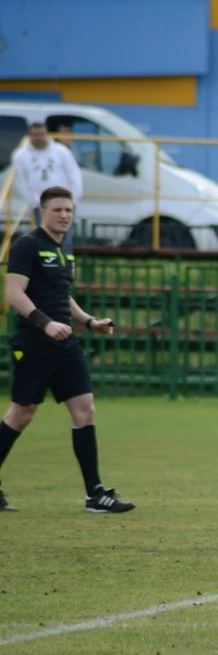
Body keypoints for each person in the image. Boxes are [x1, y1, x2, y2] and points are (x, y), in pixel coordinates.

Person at [0, 186, 134, 514]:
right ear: (42, 212)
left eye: (69, 210)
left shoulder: (64, 249)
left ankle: (96, 494)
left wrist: (89, 322)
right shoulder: (27, 245)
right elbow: (14, 293)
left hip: (65, 342)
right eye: (57, 209)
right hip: (34, 342)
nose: (64, 215)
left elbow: (62, 295)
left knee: (85, 410)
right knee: (21, 415)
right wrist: (44, 323)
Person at [12, 122, 84, 256]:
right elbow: (21, 181)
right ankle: (48, 271)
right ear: (29, 136)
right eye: (35, 135)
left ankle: (66, 270)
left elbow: (74, 174)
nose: (39, 138)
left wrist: (73, 199)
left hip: (64, 203)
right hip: (41, 205)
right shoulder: (21, 155)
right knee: (45, 238)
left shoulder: (61, 151)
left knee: (65, 238)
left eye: (41, 134)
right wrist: (33, 201)